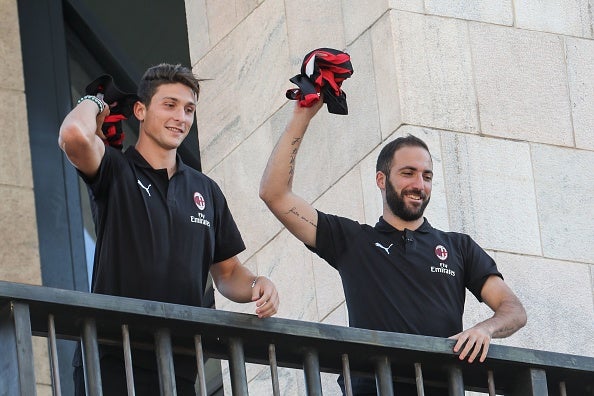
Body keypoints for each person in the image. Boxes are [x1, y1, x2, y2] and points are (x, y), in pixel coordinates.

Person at [259, 97, 527, 395]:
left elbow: (513, 310)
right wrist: (302, 115)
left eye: (427, 176)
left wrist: (484, 329)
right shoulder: (351, 240)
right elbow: (275, 194)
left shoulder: (459, 247)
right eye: (408, 173)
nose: (419, 184)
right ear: (381, 179)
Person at [59, 63, 279, 395]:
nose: (181, 117)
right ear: (140, 110)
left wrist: (257, 285)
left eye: (189, 109)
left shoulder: (205, 189)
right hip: (110, 360)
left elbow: (228, 272)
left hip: (179, 367)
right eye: (170, 105)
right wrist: (97, 99)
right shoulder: (116, 170)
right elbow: (73, 135)